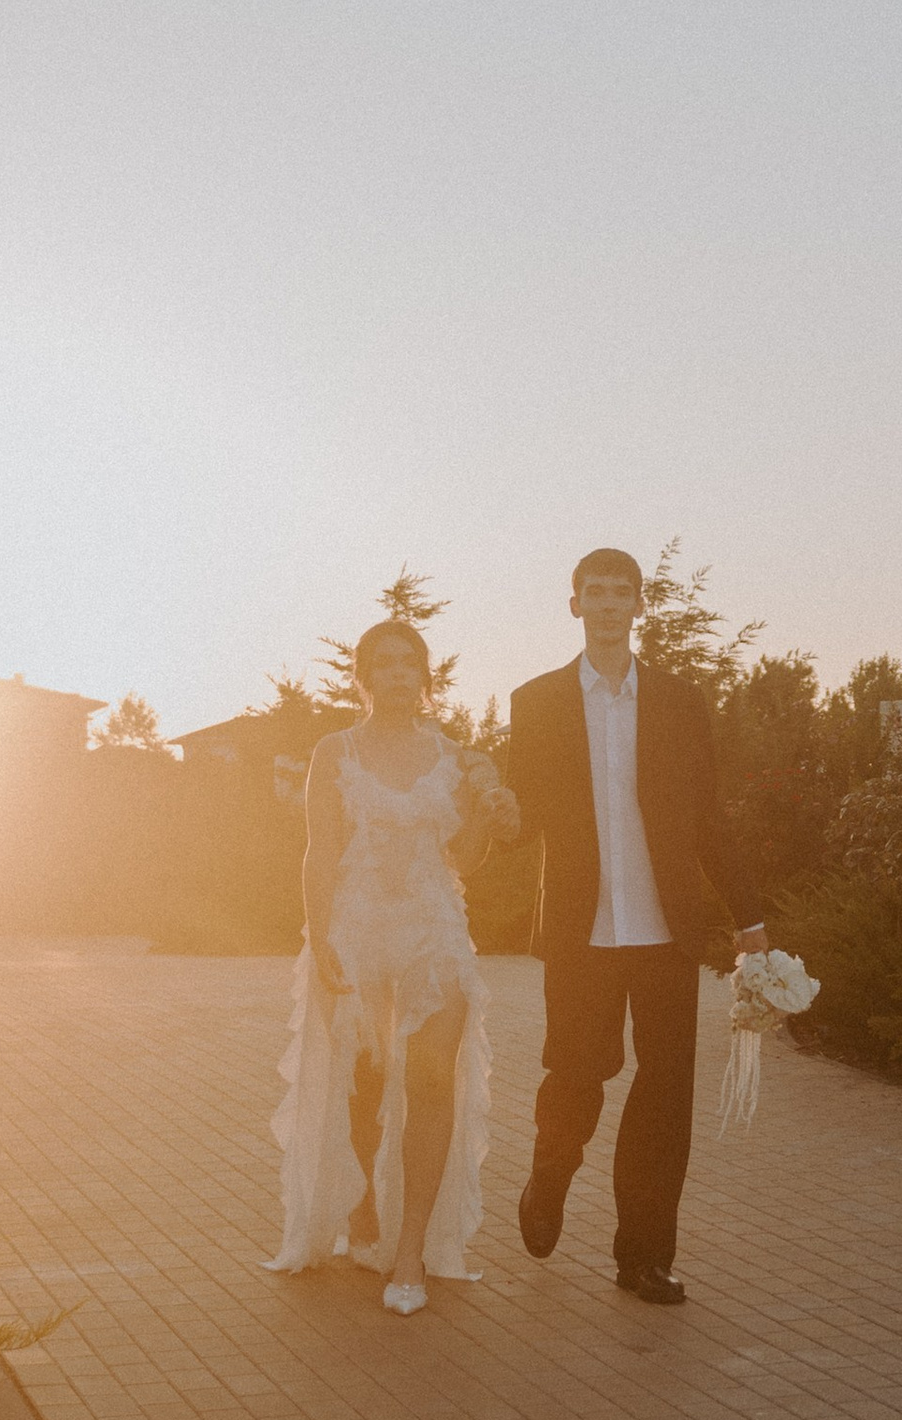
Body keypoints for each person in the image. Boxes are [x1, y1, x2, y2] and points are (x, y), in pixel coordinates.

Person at [508, 548, 765, 1306]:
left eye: (623, 593)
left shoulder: (682, 701)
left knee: (664, 1095)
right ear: (574, 605)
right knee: (579, 1072)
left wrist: (748, 917)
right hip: (580, 933)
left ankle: (643, 1256)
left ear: (640, 606)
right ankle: (551, 1172)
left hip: (664, 934)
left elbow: (708, 818)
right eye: (596, 592)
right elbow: (521, 815)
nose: (610, 604)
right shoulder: (538, 701)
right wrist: (490, 814)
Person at [266, 618, 518, 1312]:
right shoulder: (335, 751)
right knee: (368, 1091)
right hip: (358, 932)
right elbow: (319, 851)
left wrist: (490, 827)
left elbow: (462, 860)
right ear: (365, 675)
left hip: (435, 933)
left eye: (412, 663)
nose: (400, 674)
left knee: (432, 1087)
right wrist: (321, 942)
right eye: (386, 662)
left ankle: (410, 1253)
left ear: (426, 677)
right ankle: (366, 1212)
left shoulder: (455, 759)